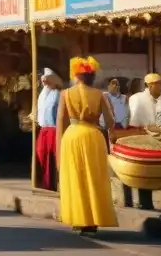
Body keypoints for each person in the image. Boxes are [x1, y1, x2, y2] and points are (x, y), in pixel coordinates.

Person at [57, 56, 117, 234]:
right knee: (94, 178)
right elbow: (110, 121)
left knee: (75, 178)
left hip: (72, 136)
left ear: (76, 75)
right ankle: (93, 220)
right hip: (93, 136)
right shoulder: (99, 94)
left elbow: (61, 121)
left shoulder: (66, 94)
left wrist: (58, 150)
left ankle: (79, 219)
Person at [35, 68, 62, 190]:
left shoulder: (57, 93)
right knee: (41, 152)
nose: (44, 82)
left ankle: (51, 183)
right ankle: (44, 181)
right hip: (43, 128)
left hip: (53, 128)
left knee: (52, 156)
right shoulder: (42, 94)